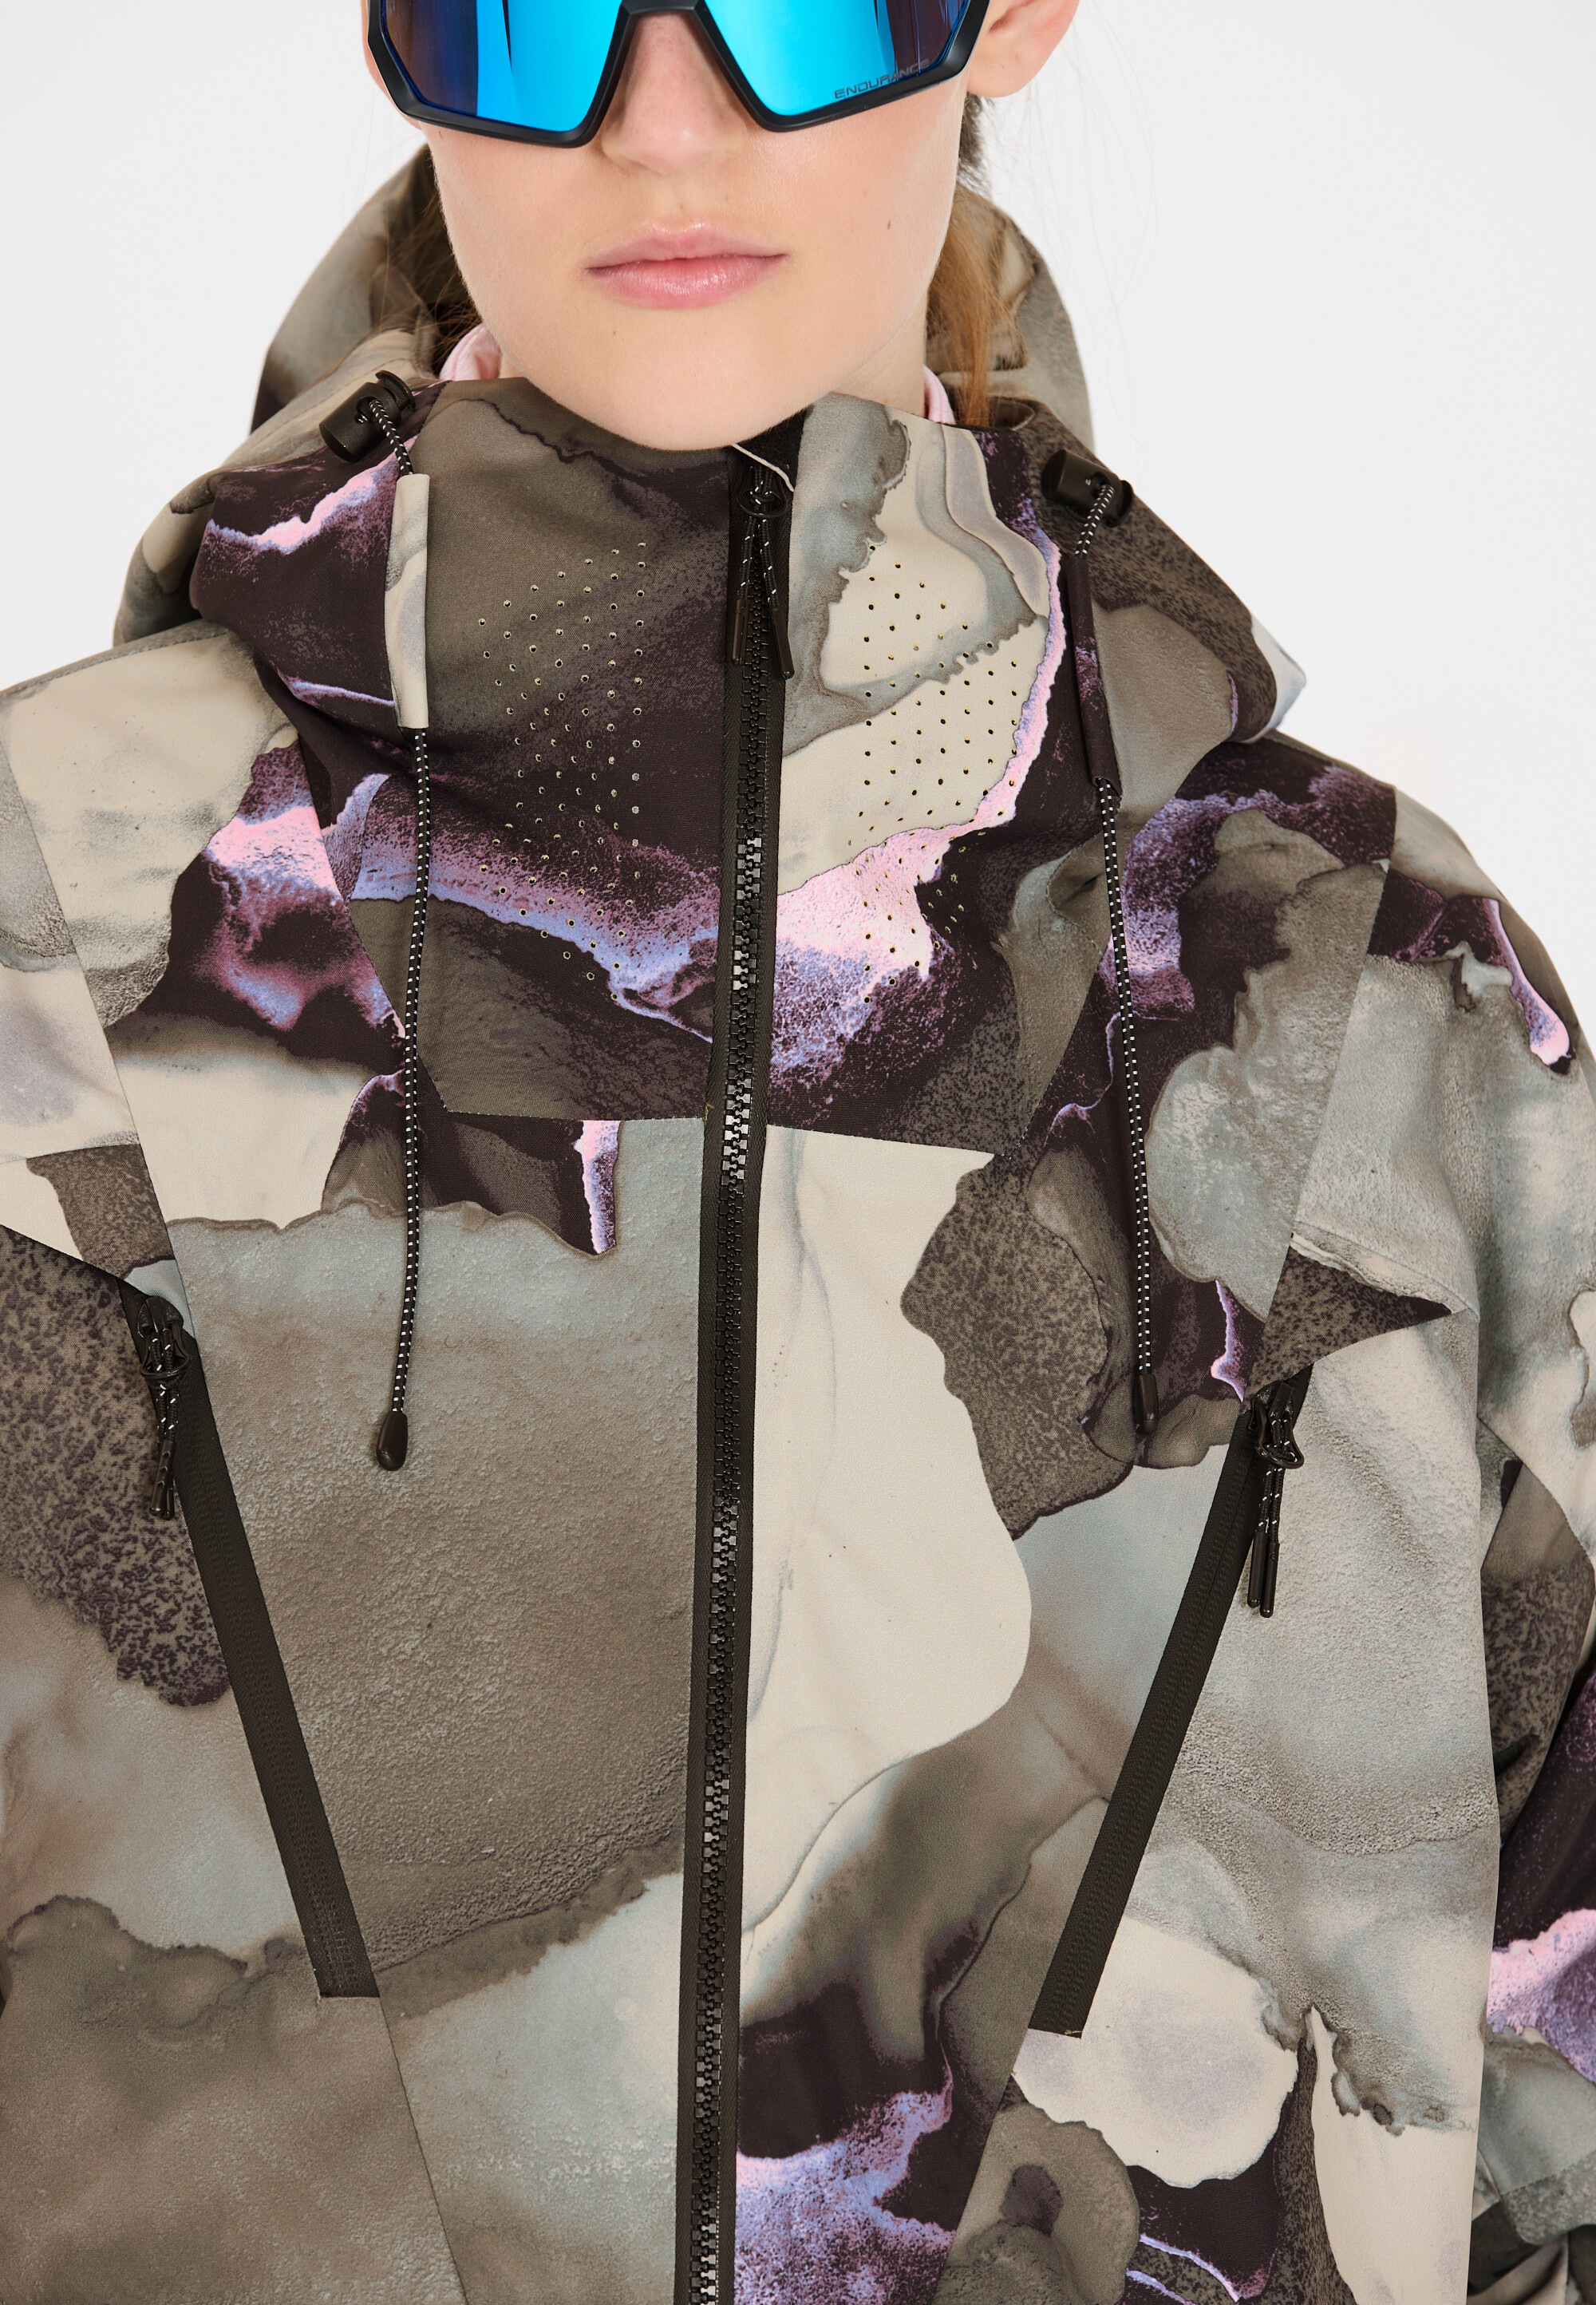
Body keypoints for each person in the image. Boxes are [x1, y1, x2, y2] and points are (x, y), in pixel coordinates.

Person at [0, 0, 1591, 2297]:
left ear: (1006, 17)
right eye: (529, 12)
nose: (663, 122)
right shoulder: (46, 935)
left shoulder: (1368, 1001)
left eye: (803, 1)